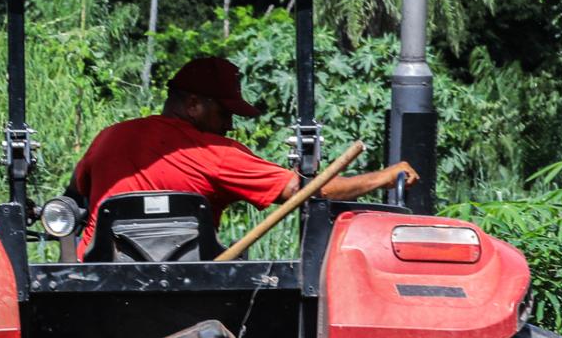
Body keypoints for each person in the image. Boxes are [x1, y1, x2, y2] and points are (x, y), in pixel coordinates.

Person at [68, 55, 420, 259]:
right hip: (189, 283)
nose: (230, 124)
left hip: (98, 277)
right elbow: (313, 191)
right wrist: (383, 178)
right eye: (225, 113)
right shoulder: (215, 154)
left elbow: (75, 192)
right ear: (193, 105)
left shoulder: (109, 137)